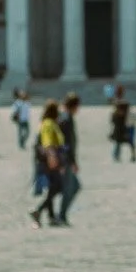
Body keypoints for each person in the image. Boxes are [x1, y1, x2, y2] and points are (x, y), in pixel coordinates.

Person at [30, 101, 67, 226]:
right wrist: (53, 158)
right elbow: (48, 143)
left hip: (52, 158)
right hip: (51, 160)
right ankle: (38, 210)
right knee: (58, 186)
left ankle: (51, 217)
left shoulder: (51, 123)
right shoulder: (48, 124)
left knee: (52, 187)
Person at [56, 92, 81, 223]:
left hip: (65, 158)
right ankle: (61, 215)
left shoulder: (65, 117)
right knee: (71, 186)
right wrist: (71, 161)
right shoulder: (66, 119)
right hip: (65, 159)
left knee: (72, 186)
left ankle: (60, 214)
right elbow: (66, 143)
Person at [109, 84, 135, 161]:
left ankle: (131, 155)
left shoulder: (122, 103)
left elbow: (124, 112)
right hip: (119, 124)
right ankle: (116, 155)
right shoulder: (119, 102)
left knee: (125, 140)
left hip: (123, 124)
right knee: (119, 141)